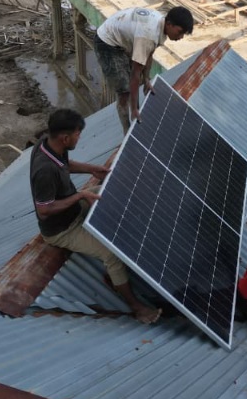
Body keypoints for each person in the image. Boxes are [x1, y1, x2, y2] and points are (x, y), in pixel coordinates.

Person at [29, 108, 160, 324]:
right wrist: (80, 195)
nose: (79, 137)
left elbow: (65, 164)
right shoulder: (44, 171)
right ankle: (136, 307)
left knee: (115, 190)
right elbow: (44, 210)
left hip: (75, 206)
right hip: (63, 229)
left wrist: (93, 169)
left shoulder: (49, 144)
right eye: (78, 134)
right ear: (65, 137)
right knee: (110, 254)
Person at [94, 6, 194, 133]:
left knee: (136, 79)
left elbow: (149, 53)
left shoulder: (160, 25)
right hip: (107, 42)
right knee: (124, 90)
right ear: (169, 24)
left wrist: (146, 79)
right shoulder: (149, 35)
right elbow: (135, 74)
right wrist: (135, 109)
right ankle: (127, 130)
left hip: (123, 37)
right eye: (180, 32)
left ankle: (134, 108)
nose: (181, 37)